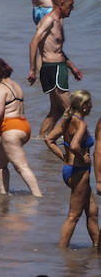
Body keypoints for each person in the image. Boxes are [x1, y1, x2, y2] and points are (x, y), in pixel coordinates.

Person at [44, 90, 99, 248]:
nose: (92, 106)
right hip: (79, 172)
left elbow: (49, 139)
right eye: (89, 103)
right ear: (83, 106)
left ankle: (96, 248)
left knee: (93, 211)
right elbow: (75, 145)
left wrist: (64, 157)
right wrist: (82, 156)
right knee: (74, 215)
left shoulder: (66, 120)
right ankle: (62, 251)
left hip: (69, 169)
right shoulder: (81, 123)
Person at [29, 0, 79, 138]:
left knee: (56, 111)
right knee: (71, 110)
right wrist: (32, 69)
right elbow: (33, 43)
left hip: (55, 67)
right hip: (54, 69)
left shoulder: (58, 21)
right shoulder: (49, 20)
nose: (72, 9)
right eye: (70, 6)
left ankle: (41, 138)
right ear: (61, 4)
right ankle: (76, 143)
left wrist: (72, 66)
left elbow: (57, 49)